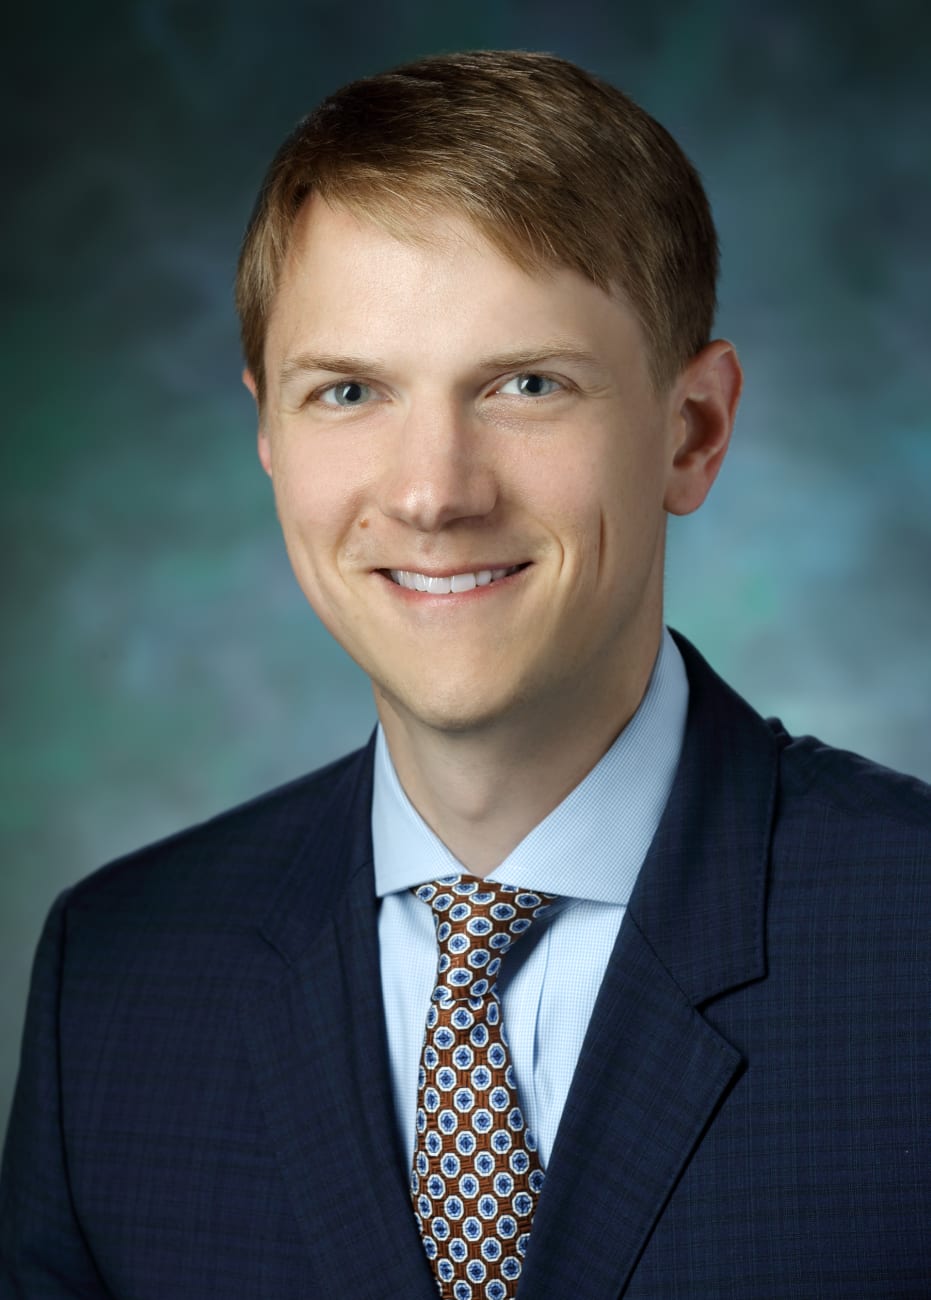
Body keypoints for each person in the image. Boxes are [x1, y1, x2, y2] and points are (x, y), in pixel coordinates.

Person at [1, 49, 928, 1300]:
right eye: (349, 392)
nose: (434, 491)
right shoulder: (117, 981)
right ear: (268, 433)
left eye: (526, 384)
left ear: (691, 431)